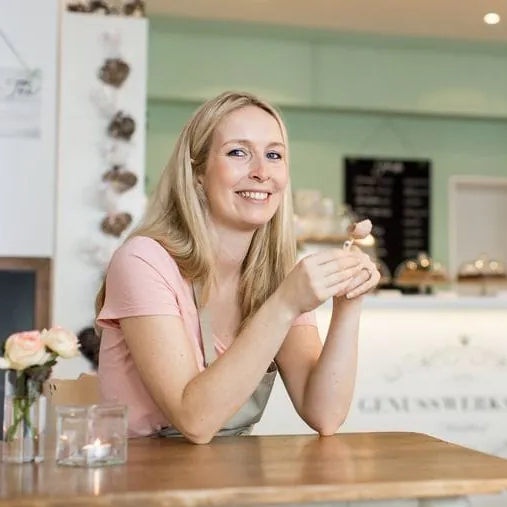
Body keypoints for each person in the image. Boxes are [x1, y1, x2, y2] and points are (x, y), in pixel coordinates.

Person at [94, 91, 380, 444]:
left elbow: (325, 414)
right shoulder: (143, 262)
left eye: (274, 155)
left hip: (231, 471)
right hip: (143, 472)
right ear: (197, 173)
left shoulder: (275, 276)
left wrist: (349, 303)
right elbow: (194, 420)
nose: (261, 172)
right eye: (238, 153)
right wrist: (285, 304)